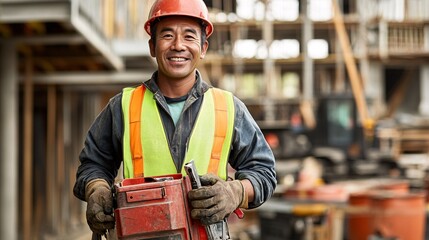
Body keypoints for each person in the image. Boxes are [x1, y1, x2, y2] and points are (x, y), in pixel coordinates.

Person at [73, 0, 276, 236]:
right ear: (152, 46)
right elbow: (93, 164)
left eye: (189, 36)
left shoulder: (229, 108)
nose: (178, 45)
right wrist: (96, 189)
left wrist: (235, 193)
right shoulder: (123, 107)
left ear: (203, 47)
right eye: (167, 35)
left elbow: (264, 172)